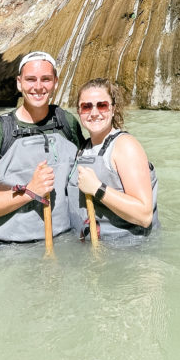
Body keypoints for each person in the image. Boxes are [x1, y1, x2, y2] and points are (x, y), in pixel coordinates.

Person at [0, 51, 83, 246]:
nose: (38, 87)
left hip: (65, 244)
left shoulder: (67, 123)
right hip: (10, 250)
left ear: (55, 82)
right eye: (30, 79)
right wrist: (30, 191)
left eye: (45, 79)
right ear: (19, 83)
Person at [67, 78, 159, 244]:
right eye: (86, 106)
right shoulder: (84, 148)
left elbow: (144, 215)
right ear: (79, 111)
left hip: (130, 252)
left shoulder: (125, 146)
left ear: (113, 108)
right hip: (96, 253)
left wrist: (98, 189)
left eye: (102, 105)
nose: (94, 113)